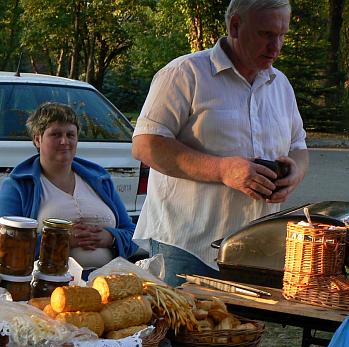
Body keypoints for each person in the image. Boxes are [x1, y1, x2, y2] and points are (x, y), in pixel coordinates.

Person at [132, 0, 309, 287]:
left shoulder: (281, 85)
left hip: (255, 254)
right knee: (179, 320)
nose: (276, 46)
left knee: (245, 321)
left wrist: (295, 173)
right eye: (266, 34)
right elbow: (146, 145)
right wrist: (223, 170)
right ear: (235, 26)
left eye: (282, 35)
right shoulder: (185, 73)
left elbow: (299, 146)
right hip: (187, 249)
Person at [0, 102, 138, 273]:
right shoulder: (19, 185)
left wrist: (111, 238)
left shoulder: (100, 179)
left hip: (109, 281)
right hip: (48, 283)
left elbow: (134, 234)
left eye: (70, 135)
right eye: (55, 134)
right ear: (37, 139)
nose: (64, 141)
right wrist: (60, 240)